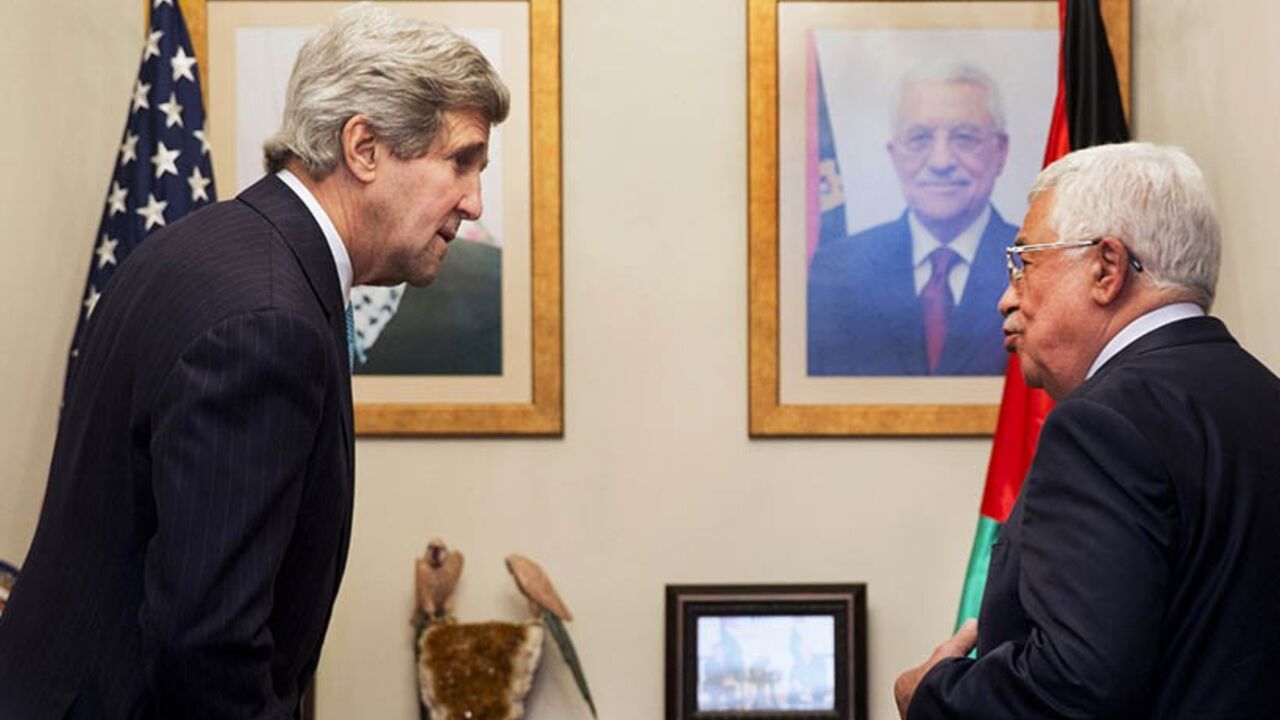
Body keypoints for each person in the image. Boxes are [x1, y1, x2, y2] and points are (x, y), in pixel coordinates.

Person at [0, 4, 508, 717]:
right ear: (364, 147)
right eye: (460, 161)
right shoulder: (270, 321)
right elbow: (210, 644)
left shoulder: (216, 248)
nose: (474, 200)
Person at [894, 142, 1280, 719]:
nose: (1006, 299)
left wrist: (932, 695)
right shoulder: (1263, 396)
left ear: (1106, 268)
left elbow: (1075, 688)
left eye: (1025, 263)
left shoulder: (1100, 426)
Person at [808, 62, 1016, 376]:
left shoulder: (1035, 267)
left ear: (1000, 152)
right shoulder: (837, 270)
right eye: (919, 138)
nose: (941, 161)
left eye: (964, 137)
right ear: (894, 155)